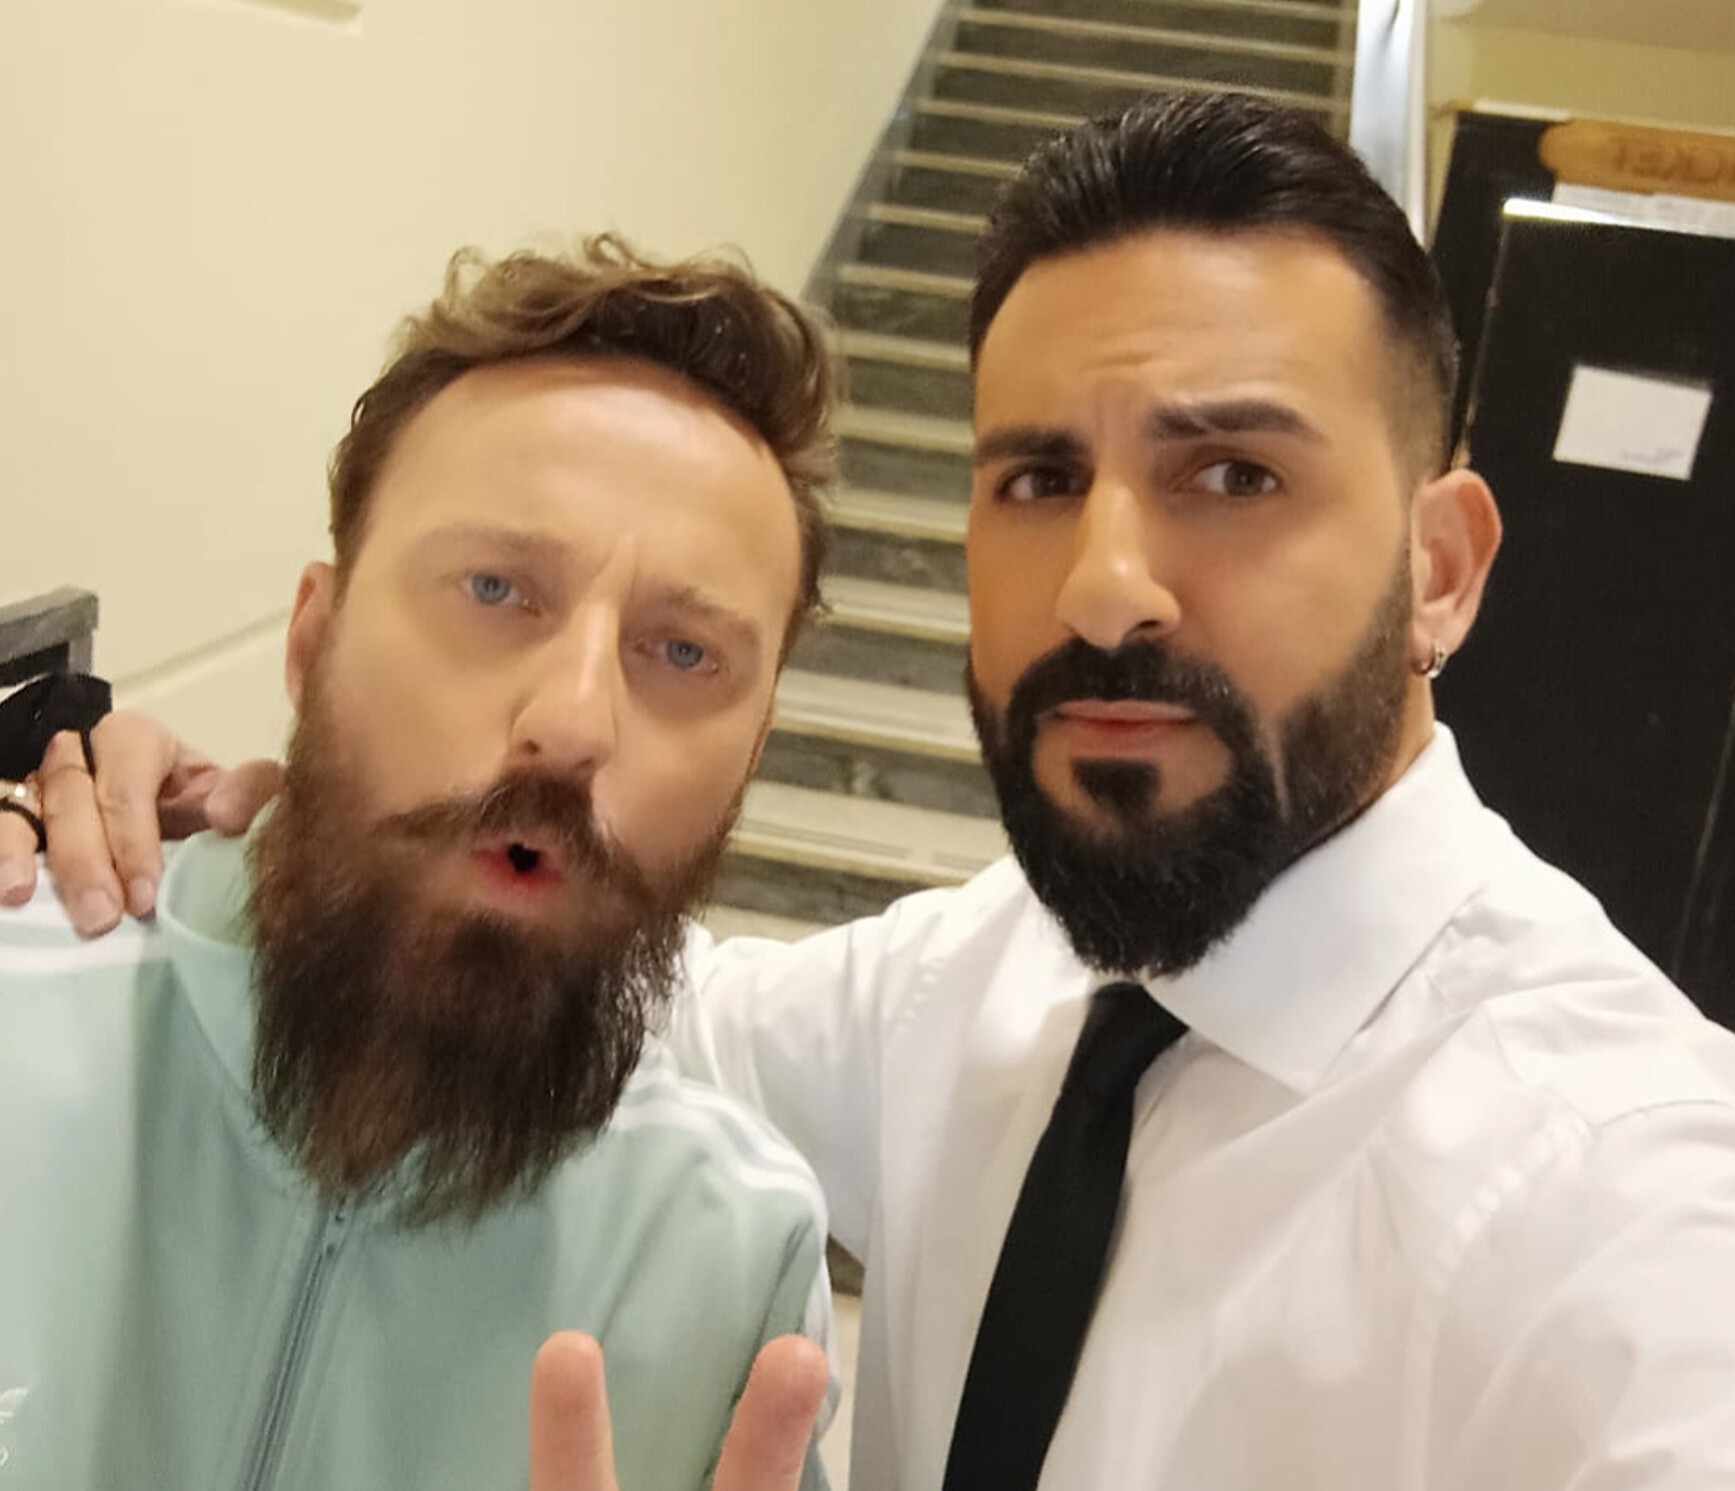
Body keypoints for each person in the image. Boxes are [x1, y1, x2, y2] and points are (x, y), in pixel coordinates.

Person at [13, 92, 1735, 1491]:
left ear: (1439, 569)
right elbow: (543, 945)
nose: (1103, 587)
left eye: (1231, 472)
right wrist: (206, 815)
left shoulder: (1624, 1192)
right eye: (1039, 477)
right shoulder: (978, 993)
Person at [0, 238, 838, 1490]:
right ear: (312, 639)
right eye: (494, 588)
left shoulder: (733, 1254)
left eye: (683, 654)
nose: (574, 723)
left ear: (751, 753)